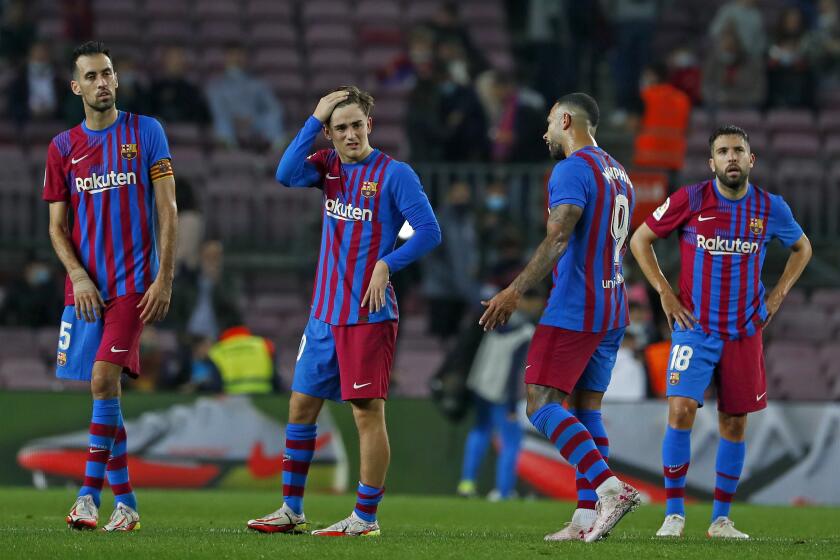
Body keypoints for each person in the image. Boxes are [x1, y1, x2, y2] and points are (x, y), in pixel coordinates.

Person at [246, 87, 441, 537]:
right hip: (323, 316)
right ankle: (291, 508)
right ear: (330, 135)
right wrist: (313, 119)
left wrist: (387, 264)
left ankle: (366, 517)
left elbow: (430, 231)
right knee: (300, 407)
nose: (350, 134)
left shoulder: (396, 174)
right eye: (340, 128)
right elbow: (284, 173)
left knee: (366, 413)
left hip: (368, 316)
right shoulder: (327, 167)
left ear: (369, 125)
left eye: (356, 125)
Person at [630, 125, 812, 539]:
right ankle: (673, 514)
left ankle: (720, 520)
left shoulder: (770, 207)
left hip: (745, 331)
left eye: (738, 150)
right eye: (723, 151)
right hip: (695, 328)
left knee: (733, 423)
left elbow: (803, 247)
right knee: (680, 410)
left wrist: (779, 294)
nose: (731, 157)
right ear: (711, 162)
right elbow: (641, 240)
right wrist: (664, 292)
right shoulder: (690, 199)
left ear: (751, 160)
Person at [479, 92, 640, 543]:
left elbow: (557, 239)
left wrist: (513, 291)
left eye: (550, 123)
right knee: (587, 408)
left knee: (540, 403)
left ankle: (610, 490)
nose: (544, 132)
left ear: (566, 120)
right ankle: (587, 518)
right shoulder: (619, 173)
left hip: (575, 307)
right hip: (613, 306)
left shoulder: (571, 169)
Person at [42, 41, 178, 532]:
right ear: (76, 87)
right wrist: (77, 275)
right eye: (91, 76)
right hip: (86, 289)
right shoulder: (61, 148)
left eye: (108, 73)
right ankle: (128, 503)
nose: (102, 82)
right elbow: (57, 228)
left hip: (134, 286)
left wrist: (164, 276)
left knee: (103, 379)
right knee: (105, 391)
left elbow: (168, 208)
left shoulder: (146, 132)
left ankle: (86, 496)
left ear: (116, 79)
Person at [457, 288, 543, 501]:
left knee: (480, 431)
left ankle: (467, 483)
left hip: (480, 386)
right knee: (511, 440)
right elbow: (516, 371)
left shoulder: (494, 322)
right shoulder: (525, 332)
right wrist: (514, 405)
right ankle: (504, 491)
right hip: (503, 395)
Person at [205, 43, 284, 151]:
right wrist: (235, 118)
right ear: (226, 58)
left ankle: (277, 148)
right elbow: (217, 109)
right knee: (221, 121)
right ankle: (230, 149)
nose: (236, 59)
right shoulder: (217, 86)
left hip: (254, 121)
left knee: (273, 115)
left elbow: (273, 106)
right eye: (232, 56)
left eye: (239, 55)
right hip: (229, 122)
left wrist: (251, 118)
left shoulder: (257, 84)